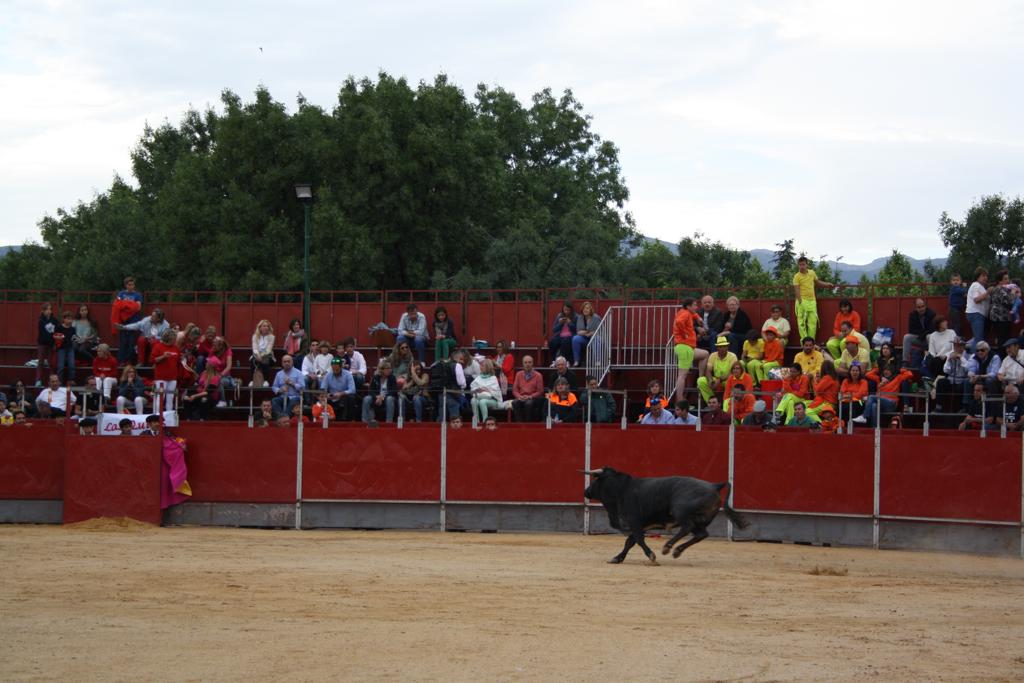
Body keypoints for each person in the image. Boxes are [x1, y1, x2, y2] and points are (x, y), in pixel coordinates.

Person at [672, 298, 709, 400]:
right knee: (682, 375)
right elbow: (679, 322)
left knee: (705, 354)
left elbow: (693, 314)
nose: (696, 307)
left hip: (686, 347)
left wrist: (698, 318)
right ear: (688, 306)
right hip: (685, 347)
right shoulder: (685, 314)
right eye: (695, 305)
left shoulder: (686, 312)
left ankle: (700, 379)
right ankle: (679, 398)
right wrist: (685, 335)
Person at [792, 256, 833, 340]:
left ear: (807, 264)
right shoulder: (796, 276)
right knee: (801, 324)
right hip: (802, 301)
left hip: (812, 301)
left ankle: (811, 342)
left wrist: (827, 284)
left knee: (812, 323)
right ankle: (804, 343)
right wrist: (801, 302)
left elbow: (817, 282)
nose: (801, 266)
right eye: (800, 265)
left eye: (803, 264)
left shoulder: (812, 273)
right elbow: (796, 291)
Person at [696, 336, 737, 404]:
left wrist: (720, 380)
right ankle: (711, 402)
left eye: (724, 346)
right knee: (700, 381)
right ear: (717, 348)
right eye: (720, 347)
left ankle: (727, 405)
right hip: (716, 378)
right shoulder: (713, 355)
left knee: (731, 383)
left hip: (728, 379)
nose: (722, 348)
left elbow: (733, 373)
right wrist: (710, 380)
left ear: (727, 347)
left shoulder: (732, 356)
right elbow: (708, 370)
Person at [113, 277, 144, 364]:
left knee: (131, 342)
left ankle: (130, 361)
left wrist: (125, 305)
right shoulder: (121, 294)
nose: (131, 286)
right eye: (129, 285)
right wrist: (130, 306)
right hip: (123, 321)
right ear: (126, 285)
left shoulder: (138, 295)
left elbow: (138, 307)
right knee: (123, 342)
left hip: (133, 321)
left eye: (133, 284)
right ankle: (121, 361)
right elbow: (118, 306)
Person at [428, 348, 464, 422]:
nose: (462, 361)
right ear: (456, 357)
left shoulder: (438, 364)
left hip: (441, 394)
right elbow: (461, 382)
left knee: (441, 417)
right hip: (453, 394)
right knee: (454, 418)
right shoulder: (457, 365)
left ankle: (438, 432)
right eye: (461, 359)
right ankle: (454, 433)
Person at [150, 329, 181, 410]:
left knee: (170, 399)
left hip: (173, 378)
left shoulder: (176, 348)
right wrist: (163, 357)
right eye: (174, 339)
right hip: (161, 378)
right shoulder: (158, 347)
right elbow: (152, 360)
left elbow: (178, 361)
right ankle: (156, 417)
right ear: (169, 339)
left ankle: (168, 418)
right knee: (160, 398)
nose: (175, 340)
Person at [902, 298, 936, 367]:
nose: (921, 309)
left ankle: (931, 360)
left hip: (929, 340)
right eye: (919, 307)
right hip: (920, 338)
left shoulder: (931, 314)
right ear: (916, 308)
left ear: (925, 306)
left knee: (929, 336)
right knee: (907, 337)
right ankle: (905, 362)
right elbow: (911, 330)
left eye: (923, 306)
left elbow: (932, 329)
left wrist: (923, 334)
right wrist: (921, 334)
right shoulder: (912, 315)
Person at [512, 355, 545, 422]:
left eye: (529, 362)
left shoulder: (538, 375)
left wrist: (530, 397)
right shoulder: (518, 374)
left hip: (532, 398)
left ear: (532, 363)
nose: (527, 364)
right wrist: (519, 397)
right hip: (521, 397)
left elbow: (540, 391)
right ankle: (519, 424)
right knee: (514, 402)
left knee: (528, 403)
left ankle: (528, 424)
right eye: (525, 362)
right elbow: (515, 390)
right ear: (523, 364)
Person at [469, 359, 503, 424]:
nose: (480, 367)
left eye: (483, 366)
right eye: (480, 366)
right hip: (479, 397)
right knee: (473, 400)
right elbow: (473, 389)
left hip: (493, 401)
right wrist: (478, 390)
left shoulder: (493, 378)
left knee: (482, 402)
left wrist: (486, 390)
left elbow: (496, 393)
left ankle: (485, 422)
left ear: (488, 367)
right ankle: (476, 422)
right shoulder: (478, 378)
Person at [988, 270, 1016, 349]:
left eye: (1008, 279)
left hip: (998, 318)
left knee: (1002, 339)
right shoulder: (1000, 289)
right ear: (1000, 281)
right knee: (1003, 340)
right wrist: (1013, 292)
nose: (1008, 281)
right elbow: (1010, 301)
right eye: (1005, 279)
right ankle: (1002, 358)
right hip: (1001, 319)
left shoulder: (997, 289)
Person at [965, 267, 991, 352]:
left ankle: (968, 347)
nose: (985, 277)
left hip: (979, 314)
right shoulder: (976, 285)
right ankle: (973, 358)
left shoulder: (980, 286)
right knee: (978, 339)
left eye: (986, 276)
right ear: (977, 277)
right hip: (976, 313)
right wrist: (988, 292)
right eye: (983, 275)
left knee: (979, 337)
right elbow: (976, 299)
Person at [271, 354, 305, 418]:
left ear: (292, 362)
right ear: (282, 363)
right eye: (285, 361)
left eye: (288, 361)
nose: (286, 363)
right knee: (274, 400)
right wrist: (280, 390)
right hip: (283, 396)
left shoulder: (298, 373)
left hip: (295, 396)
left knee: (293, 401)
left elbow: (303, 387)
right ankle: (281, 418)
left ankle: (284, 418)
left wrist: (292, 384)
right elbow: (274, 387)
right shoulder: (279, 374)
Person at [572, 301, 601, 367]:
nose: (585, 310)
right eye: (584, 308)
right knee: (575, 339)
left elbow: (599, 330)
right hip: (585, 337)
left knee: (595, 339)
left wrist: (590, 333)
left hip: (595, 337)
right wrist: (586, 333)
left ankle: (597, 361)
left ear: (590, 309)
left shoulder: (596, 317)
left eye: (587, 308)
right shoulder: (580, 317)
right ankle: (576, 361)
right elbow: (578, 332)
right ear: (582, 309)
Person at [209, 336, 236, 407]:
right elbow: (209, 364)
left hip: (226, 377)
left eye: (215, 345)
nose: (213, 347)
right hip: (213, 374)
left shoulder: (228, 351)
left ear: (220, 346)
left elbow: (229, 366)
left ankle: (223, 401)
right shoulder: (212, 350)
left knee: (218, 381)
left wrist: (220, 375)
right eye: (213, 345)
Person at [249, 319, 275, 388]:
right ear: (260, 327)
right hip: (257, 355)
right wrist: (257, 355)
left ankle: (266, 380)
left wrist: (261, 356)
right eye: (264, 326)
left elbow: (268, 350)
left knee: (265, 360)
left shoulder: (272, 337)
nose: (266, 328)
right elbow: (254, 348)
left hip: (268, 356)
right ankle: (252, 380)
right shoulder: (255, 336)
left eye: (267, 326)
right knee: (252, 361)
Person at [53, 310, 76, 384]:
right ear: (64, 319)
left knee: (71, 364)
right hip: (61, 348)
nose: (70, 320)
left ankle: (70, 379)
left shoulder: (73, 329)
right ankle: (59, 381)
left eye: (71, 319)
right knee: (60, 366)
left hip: (70, 348)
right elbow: (55, 336)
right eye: (68, 319)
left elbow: (74, 338)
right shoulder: (59, 327)